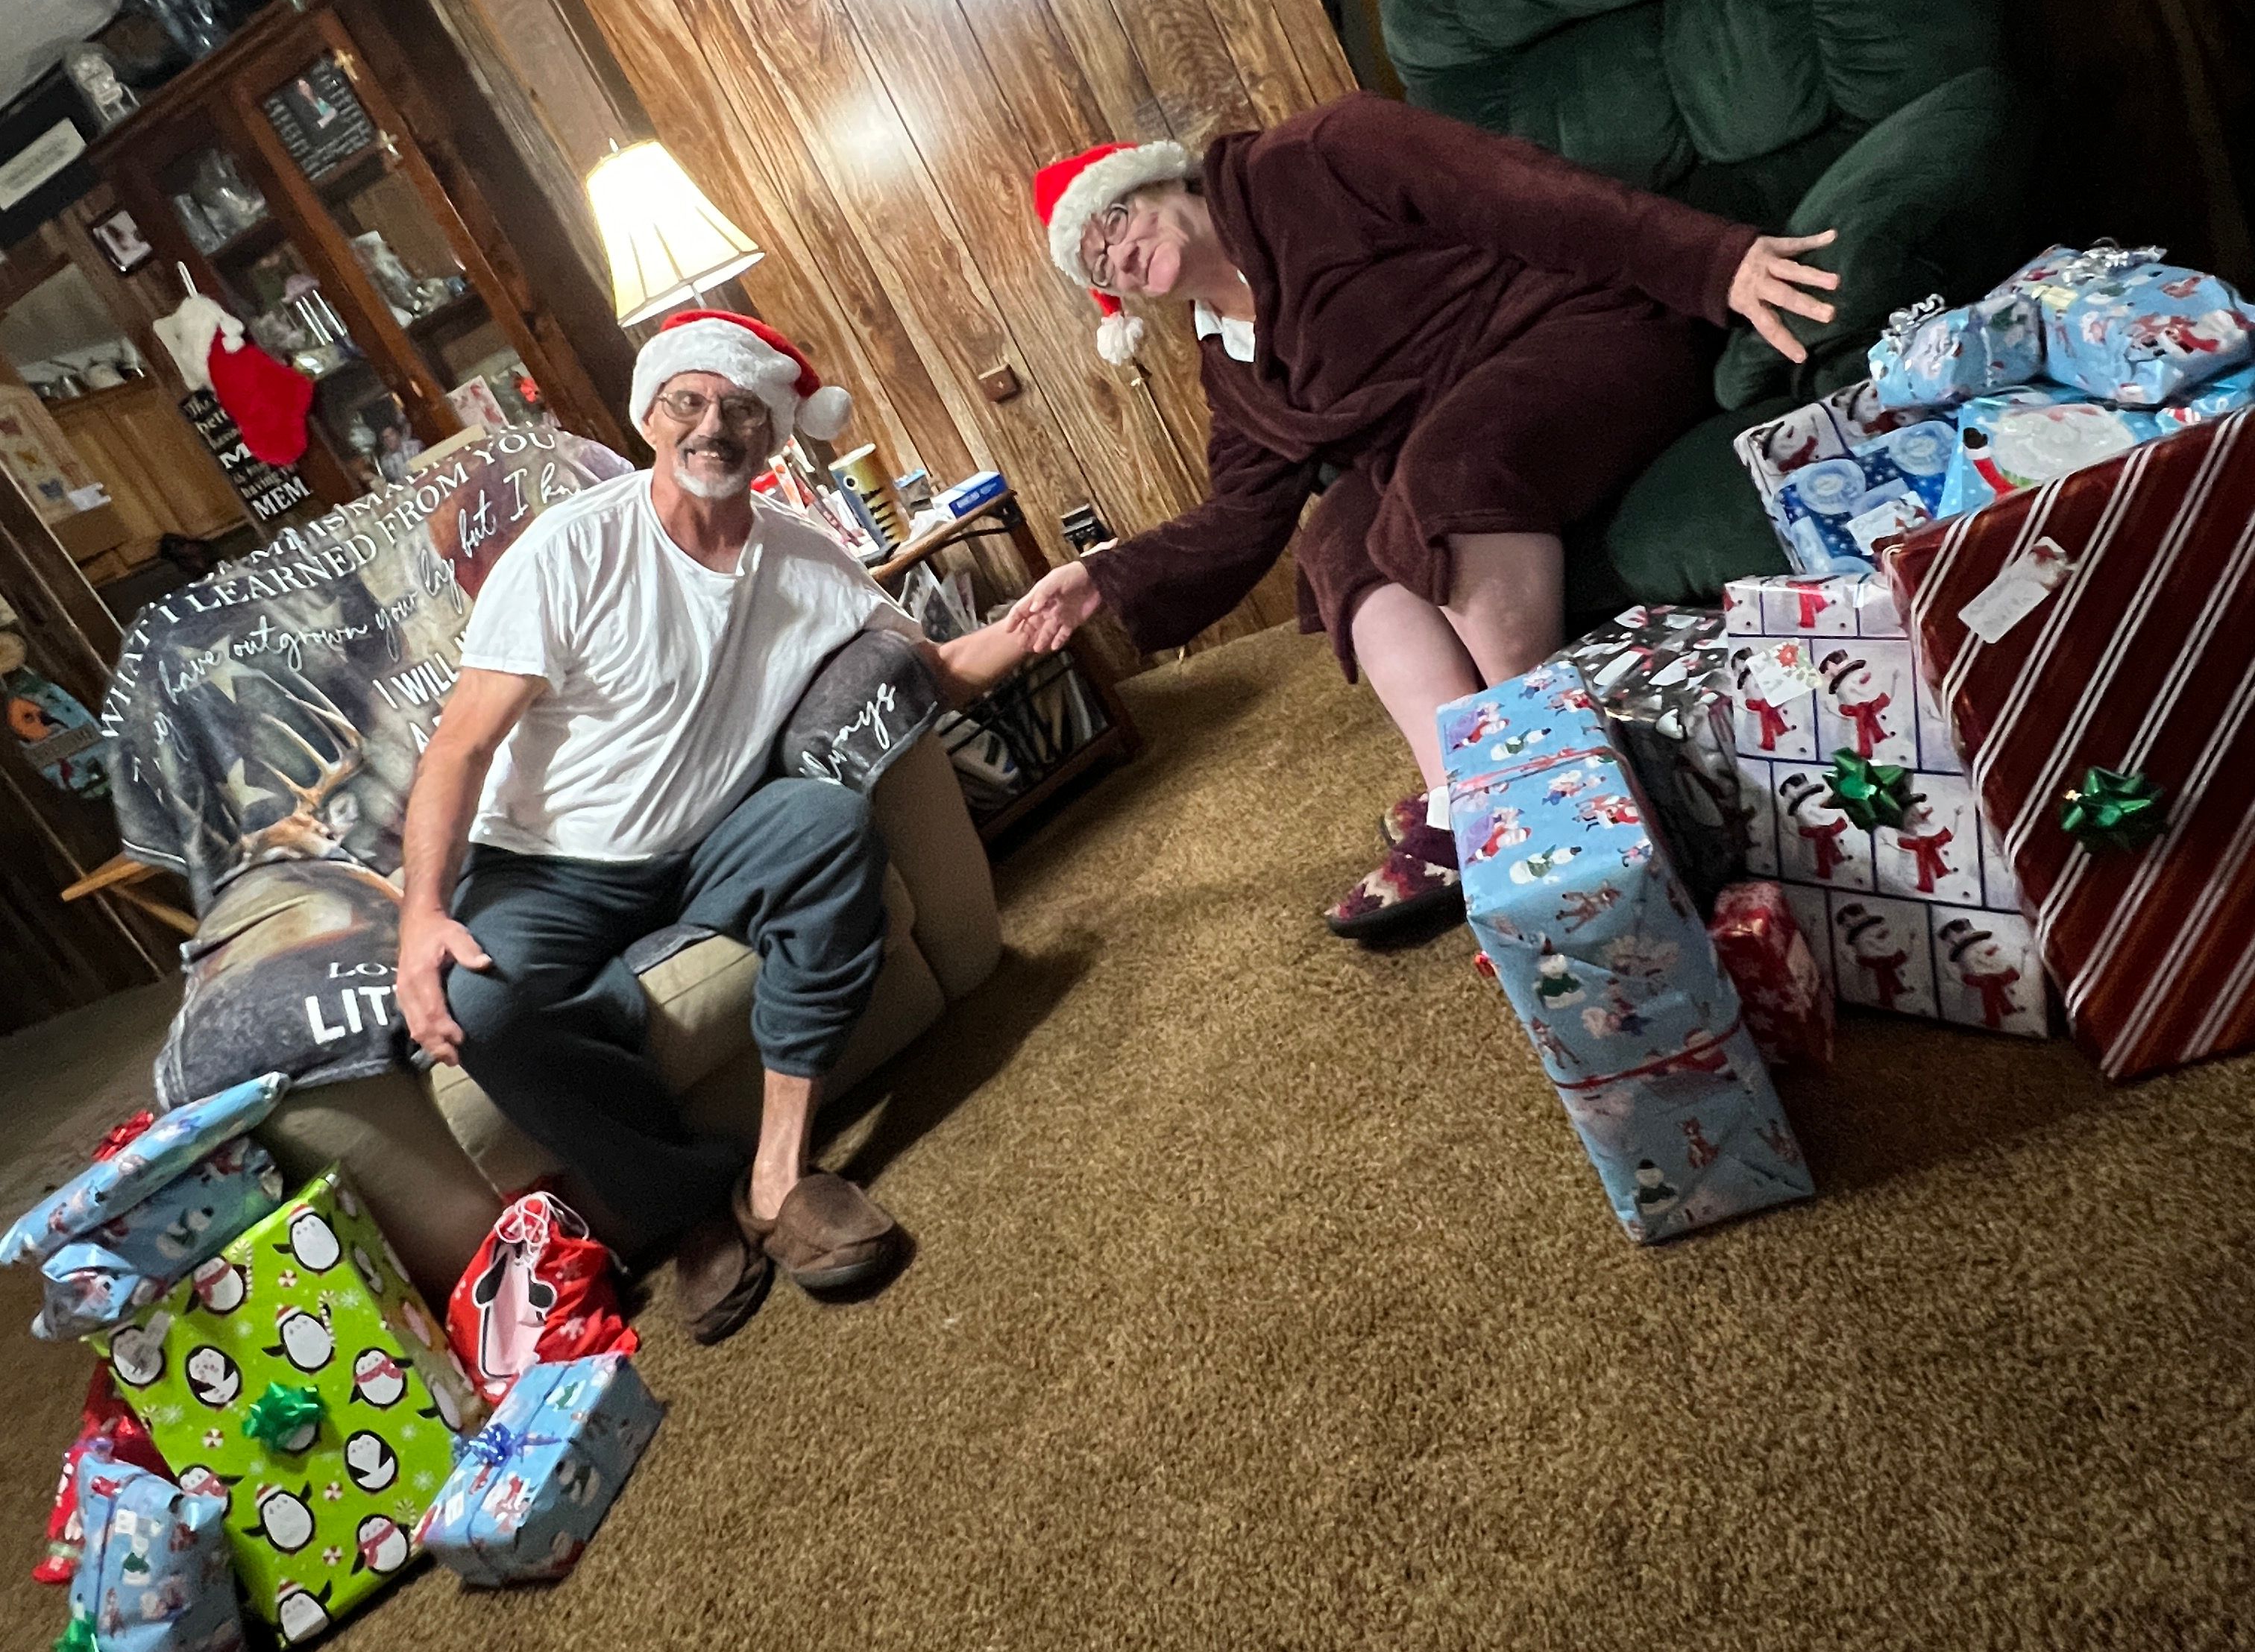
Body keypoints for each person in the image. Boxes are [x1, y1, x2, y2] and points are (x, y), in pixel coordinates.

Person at [1006, 101, 1837, 943]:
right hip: (1443, 438)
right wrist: (1100, 577)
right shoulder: (1227, 364)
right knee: (1334, 533)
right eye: (1096, 262)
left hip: (1584, 333)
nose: (1116, 252)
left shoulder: (1312, 158)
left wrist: (1711, 261)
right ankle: (1462, 802)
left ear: (1161, 177)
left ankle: (1551, 769)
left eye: (1114, 219)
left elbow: (1523, 193)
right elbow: (1241, 517)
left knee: (1441, 470)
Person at [395, 308, 1031, 1345]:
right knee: (487, 1012)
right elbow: (459, 746)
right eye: (688, 401)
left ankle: (780, 1180)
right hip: (546, 864)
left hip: (711, 839)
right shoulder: (570, 549)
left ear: (775, 434)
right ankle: (694, 1206)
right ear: (650, 415)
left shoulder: (806, 555)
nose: (714, 426)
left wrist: (1031, 623)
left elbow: (937, 670)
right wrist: (422, 913)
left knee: (828, 826)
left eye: (743, 409)